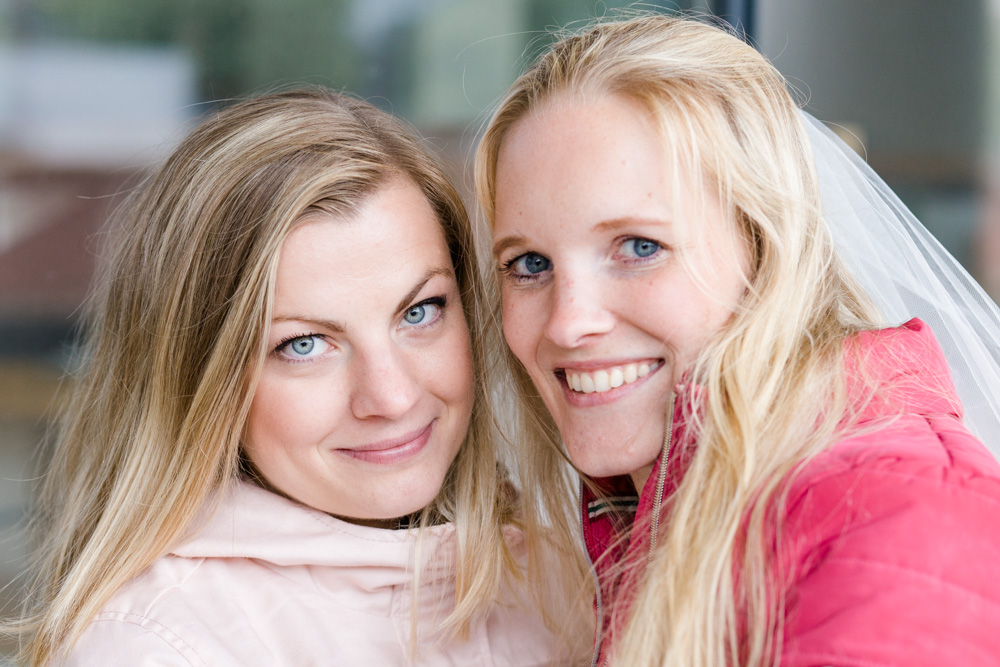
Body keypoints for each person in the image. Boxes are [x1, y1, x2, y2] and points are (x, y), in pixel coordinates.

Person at [475, 14, 1000, 666]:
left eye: (639, 247)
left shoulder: (902, 512)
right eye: (529, 264)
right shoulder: (648, 509)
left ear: (765, 249)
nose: (566, 321)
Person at [9, 87, 588, 666]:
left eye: (420, 312)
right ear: (200, 381)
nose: (392, 396)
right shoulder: (154, 646)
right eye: (304, 345)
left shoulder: (570, 579)